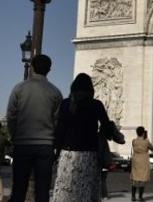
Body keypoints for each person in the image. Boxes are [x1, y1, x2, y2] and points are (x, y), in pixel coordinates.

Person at [52, 73, 123, 201]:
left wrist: (55, 152)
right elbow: (107, 128)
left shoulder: (65, 104)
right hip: (89, 155)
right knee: (86, 191)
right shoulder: (97, 105)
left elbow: (60, 130)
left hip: (68, 154)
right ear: (91, 89)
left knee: (66, 191)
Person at [6, 54, 63, 202]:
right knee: (43, 190)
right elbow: (58, 121)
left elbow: (11, 116)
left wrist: (15, 136)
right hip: (45, 145)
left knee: (19, 188)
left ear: (31, 68)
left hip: (23, 143)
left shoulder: (19, 88)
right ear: (49, 69)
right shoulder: (56, 92)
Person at [129, 126, 153, 202]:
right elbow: (152, 148)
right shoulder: (146, 142)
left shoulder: (134, 141)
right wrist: (145, 138)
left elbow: (134, 145)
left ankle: (133, 196)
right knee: (142, 180)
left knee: (135, 179)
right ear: (143, 133)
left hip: (136, 161)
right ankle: (140, 197)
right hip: (143, 161)